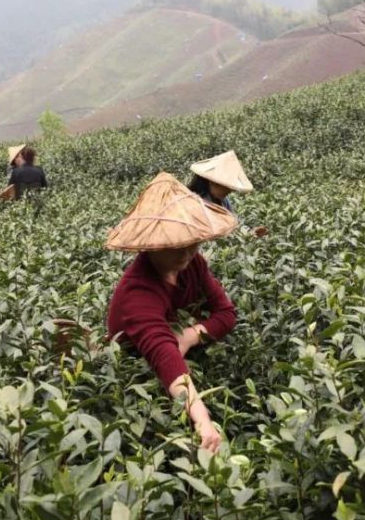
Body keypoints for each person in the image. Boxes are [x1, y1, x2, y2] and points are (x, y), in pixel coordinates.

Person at [106, 172, 239, 452]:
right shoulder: (137, 293)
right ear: (151, 244)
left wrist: (191, 336)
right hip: (136, 370)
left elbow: (226, 313)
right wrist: (202, 420)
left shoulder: (193, 265)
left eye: (193, 241)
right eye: (175, 244)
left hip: (178, 353)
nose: (187, 252)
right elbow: (166, 357)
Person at [188, 150, 267, 237]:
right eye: (228, 186)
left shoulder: (224, 201)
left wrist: (250, 233)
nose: (231, 190)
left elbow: (234, 223)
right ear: (213, 182)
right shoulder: (194, 204)